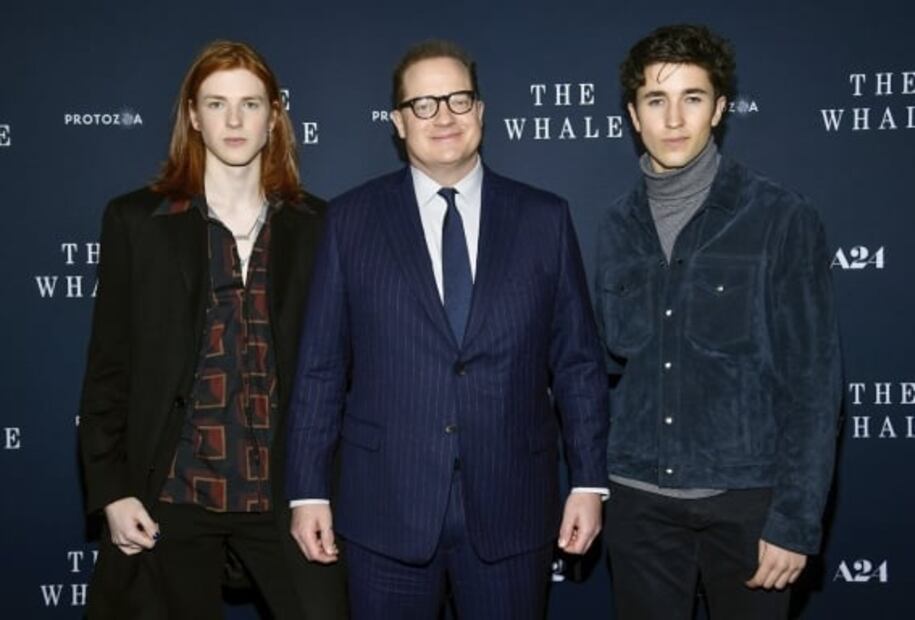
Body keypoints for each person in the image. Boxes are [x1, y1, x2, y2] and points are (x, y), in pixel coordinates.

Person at [285, 39, 608, 619]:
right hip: (385, 509)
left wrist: (588, 481)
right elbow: (321, 366)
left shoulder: (544, 218)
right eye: (425, 104)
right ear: (398, 122)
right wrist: (308, 490)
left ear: (481, 112)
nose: (444, 117)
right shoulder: (350, 220)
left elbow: (578, 362)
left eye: (459, 99)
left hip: (513, 508)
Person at [78, 40, 346, 619]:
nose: (233, 120)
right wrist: (111, 490)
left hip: (286, 494)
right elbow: (108, 368)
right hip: (173, 492)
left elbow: (338, 373)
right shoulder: (137, 222)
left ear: (274, 117)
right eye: (217, 103)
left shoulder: (319, 226)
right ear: (193, 116)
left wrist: (323, 487)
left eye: (250, 104)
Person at [596, 24, 842, 619]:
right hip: (639, 505)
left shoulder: (781, 217)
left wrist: (795, 522)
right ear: (633, 114)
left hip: (748, 506)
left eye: (693, 97)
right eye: (656, 100)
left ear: (720, 109)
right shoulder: (615, 225)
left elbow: (812, 384)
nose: (674, 118)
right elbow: (607, 367)